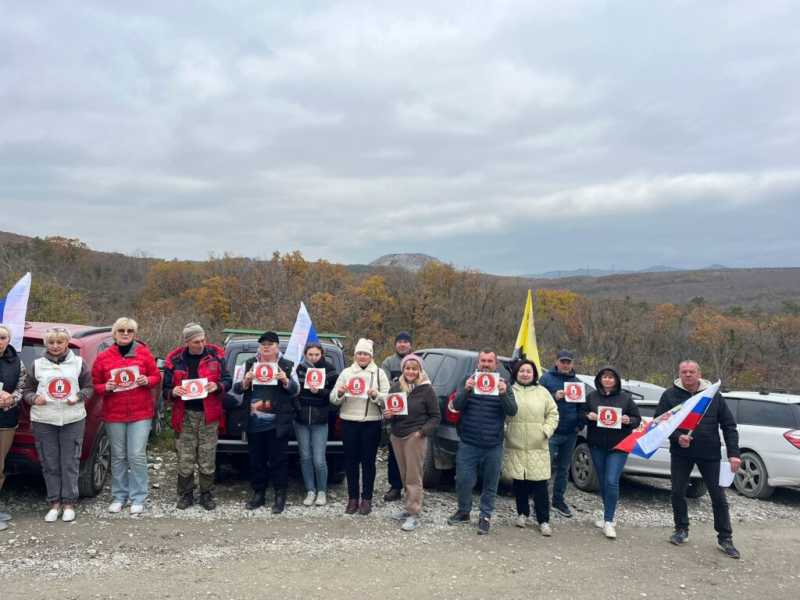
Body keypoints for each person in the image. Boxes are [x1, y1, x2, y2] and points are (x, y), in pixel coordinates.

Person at [656, 360, 742, 559]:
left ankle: (725, 538)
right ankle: (681, 529)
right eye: (684, 372)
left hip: (709, 453)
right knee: (677, 492)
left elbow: (729, 426)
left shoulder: (713, 396)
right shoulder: (669, 395)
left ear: (699, 374)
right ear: (679, 374)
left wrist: (733, 453)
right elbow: (660, 423)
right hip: (681, 453)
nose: (688, 375)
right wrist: (678, 437)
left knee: (718, 497)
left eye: (691, 372)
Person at [22, 326, 93, 523]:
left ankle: (69, 503)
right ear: (46, 344)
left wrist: (78, 397)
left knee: (70, 462)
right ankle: (54, 503)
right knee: (49, 463)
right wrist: (34, 398)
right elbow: (26, 389)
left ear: (66, 343)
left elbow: (89, 388)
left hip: (72, 419)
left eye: (59, 342)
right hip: (44, 419)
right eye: (51, 342)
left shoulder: (79, 363)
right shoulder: (37, 364)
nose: (55, 346)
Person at [91, 317, 161, 515]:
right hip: (114, 413)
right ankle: (119, 495)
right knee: (119, 456)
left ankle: (138, 496)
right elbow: (95, 384)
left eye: (129, 330)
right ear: (114, 333)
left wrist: (147, 379)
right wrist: (106, 387)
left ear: (134, 334)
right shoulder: (104, 357)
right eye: (121, 330)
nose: (125, 333)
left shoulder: (144, 353)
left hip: (140, 413)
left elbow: (156, 376)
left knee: (137, 455)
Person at [447, 349, 517, 535]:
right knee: (463, 480)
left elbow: (512, 411)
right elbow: (457, 405)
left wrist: (503, 394)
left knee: (490, 483)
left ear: (496, 364)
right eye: (483, 361)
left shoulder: (503, 383)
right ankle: (464, 511)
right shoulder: (467, 380)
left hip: (493, 444)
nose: (486, 364)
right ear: (478, 363)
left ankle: (485, 516)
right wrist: (466, 390)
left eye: (489, 361)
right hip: (469, 442)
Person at [162, 323, 231, 511]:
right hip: (184, 415)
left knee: (207, 457)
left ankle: (206, 494)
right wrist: (173, 391)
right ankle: (185, 494)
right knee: (185, 457)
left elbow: (228, 380)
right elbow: (165, 390)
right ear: (187, 342)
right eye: (196, 341)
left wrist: (217, 386)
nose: (201, 344)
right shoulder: (174, 360)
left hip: (209, 414)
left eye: (203, 340)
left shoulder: (216, 356)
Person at [234, 331, 299, 514]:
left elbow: (296, 390)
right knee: (256, 461)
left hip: (278, 423)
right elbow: (236, 388)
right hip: (254, 422)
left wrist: (285, 380)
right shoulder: (249, 364)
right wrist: (245, 381)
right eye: (263, 344)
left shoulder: (287, 365)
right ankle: (258, 494)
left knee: (279, 461)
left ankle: (280, 495)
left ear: (277, 346)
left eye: (270, 344)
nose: (266, 347)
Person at [330, 338, 390, 515]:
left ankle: (367, 499)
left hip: (370, 422)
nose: (362, 357)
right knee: (350, 462)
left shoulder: (379, 373)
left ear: (371, 356)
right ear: (355, 355)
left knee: (369, 463)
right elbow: (333, 398)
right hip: (349, 422)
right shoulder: (347, 373)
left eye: (366, 354)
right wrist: (340, 393)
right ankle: (352, 498)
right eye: (359, 354)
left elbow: (388, 398)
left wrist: (376, 394)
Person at [383, 354, 440, 531]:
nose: (410, 371)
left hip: (414, 437)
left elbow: (435, 416)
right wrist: (388, 416)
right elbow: (390, 412)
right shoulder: (396, 386)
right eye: (408, 368)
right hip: (397, 435)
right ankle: (408, 509)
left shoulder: (426, 390)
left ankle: (414, 513)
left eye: (414, 368)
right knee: (404, 475)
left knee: (413, 477)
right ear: (403, 369)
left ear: (419, 370)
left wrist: (421, 433)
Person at [582, 366, 641, 539]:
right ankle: (607, 514)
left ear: (616, 380)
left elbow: (637, 419)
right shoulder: (592, 396)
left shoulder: (625, 398)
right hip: (597, 445)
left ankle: (609, 520)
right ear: (600, 379)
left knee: (611, 480)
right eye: (604, 377)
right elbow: (581, 413)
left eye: (611, 377)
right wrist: (588, 416)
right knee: (602, 481)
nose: (607, 380)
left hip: (619, 446)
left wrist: (628, 420)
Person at [502, 359, 559, 537]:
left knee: (540, 484)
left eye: (529, 371)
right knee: (520, 482)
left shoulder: (542, 392)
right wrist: (507, 431)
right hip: (516, 444)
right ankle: (522, 513)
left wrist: (546, 431)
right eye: (522, 371)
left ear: (534, 374)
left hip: (538, 445)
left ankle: (543, 520)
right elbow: (502, 414)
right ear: (516, 373)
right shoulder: (509, 390)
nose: (525, 374)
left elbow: (553, 413)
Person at [539, 350, 583, 518]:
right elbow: (537, 400)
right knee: (544, 468)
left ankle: (558, 500)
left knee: (564, 469)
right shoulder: (546, 379)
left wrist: (580, 425)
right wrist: (553, 396)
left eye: (568, 362)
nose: (565, 364)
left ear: (572, 364)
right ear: (556, 362)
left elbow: (582, 408)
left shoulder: (577, 382)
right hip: (551, 432)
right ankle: (540, 501)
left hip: (570, 433)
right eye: (562, 361)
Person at [294, 341, 338, 507]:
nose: (313, 357)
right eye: (310, 354)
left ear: (322, 355)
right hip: (301, 421)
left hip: (320, 420)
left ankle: (321, 491)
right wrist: (298, 409)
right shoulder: (298, 369)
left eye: (316, 354)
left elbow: (334, 396)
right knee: (305, 457)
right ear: (305, 354)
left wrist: (319, 391)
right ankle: (310, 490)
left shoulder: (330, 370)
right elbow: (293, 393)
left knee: (319, 459)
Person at [380, 331, 413, 502]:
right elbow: (386, 386)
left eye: (405, 342)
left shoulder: (416, 362)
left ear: (410, 345)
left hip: (413, 416)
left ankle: (411, 490)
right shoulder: (388, 362)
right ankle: (395, 487)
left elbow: (422, 382)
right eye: (399, 341)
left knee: (412, 456)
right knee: (394, 454)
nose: (402, 344)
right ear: (395, 344)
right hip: (395, 415)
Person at [0, 324, 26, 531]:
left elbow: (21, 387)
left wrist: (10, 399)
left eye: (2, 337)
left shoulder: (18, 362)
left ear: (9, 340)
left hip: (6, 421)